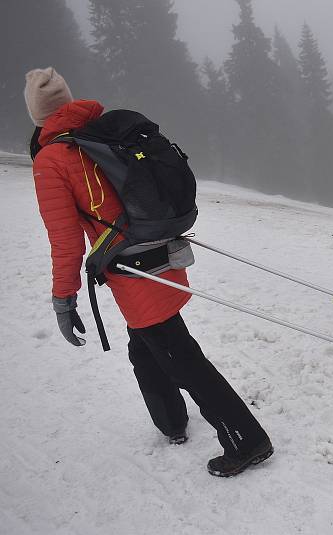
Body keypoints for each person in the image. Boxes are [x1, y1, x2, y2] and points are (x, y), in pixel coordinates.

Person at [25, 66, 272, 477]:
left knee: (178, 355)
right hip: (158, 249)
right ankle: (171, 423)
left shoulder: (54, 157)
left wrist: (62, 299)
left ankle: (247, 439)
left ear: (37, 116)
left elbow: (65, 241)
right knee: (146, 346)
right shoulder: (101, 133)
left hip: (131, 265)